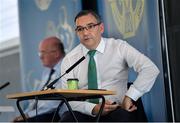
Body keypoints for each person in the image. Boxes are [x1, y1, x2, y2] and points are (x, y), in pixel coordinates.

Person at [60, 10, 160, 122]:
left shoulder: (119, 47)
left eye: (90, 26)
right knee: (67, 119)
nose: (85, 33)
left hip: (116, 109)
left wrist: (130, 96)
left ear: (101, 28)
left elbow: (150, 69)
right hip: (85, 112)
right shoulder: (69, 59)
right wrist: (93, 108)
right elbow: (68, 99)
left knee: (121, 117)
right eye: (80, 29)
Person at [13, 36, 65, 122]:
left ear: (56, 54)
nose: (40, 57)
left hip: (55, 114)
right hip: (41, 113)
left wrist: (28, 115)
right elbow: (36, 99)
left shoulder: (65, 68)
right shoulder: (47, 71)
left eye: (43, 53)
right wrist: (24, 114)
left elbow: (56, 101)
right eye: (40, 53)